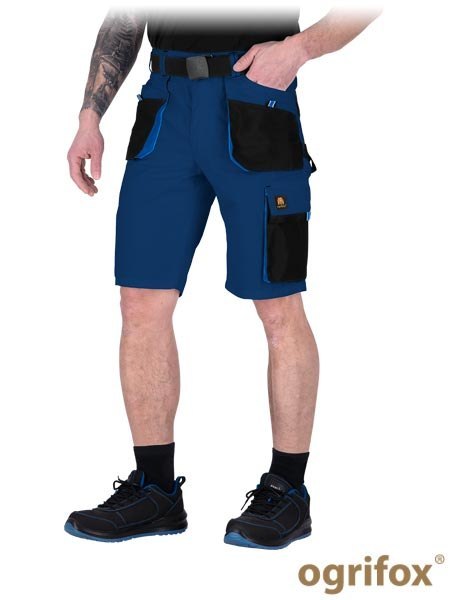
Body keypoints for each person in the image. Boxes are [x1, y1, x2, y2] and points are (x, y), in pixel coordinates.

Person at [65, 7, 381, 548]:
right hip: (165, 105)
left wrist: (300, 48)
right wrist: (90, 115)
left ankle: (288, 491)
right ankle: (155, 490)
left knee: (277, 305)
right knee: (140, 300)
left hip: (253, 99)